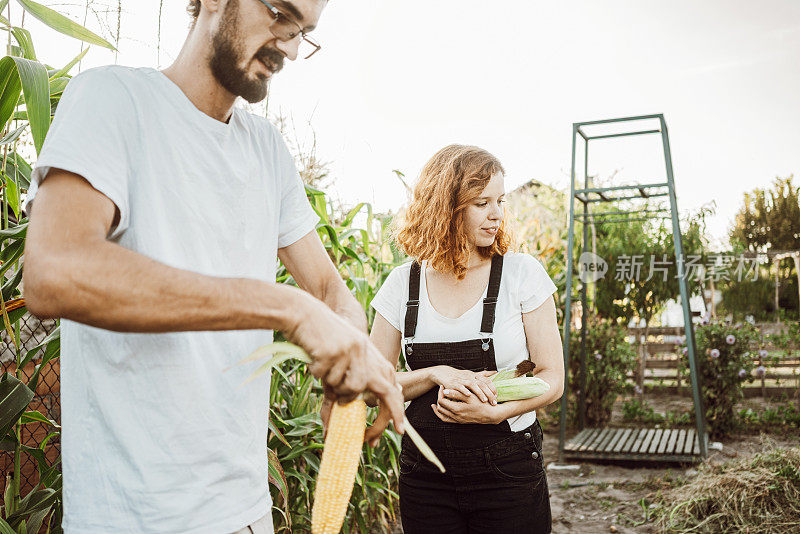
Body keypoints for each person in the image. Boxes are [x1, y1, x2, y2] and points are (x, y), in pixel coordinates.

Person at [21, 1, 405, 532]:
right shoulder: (112, 99)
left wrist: (350, 357)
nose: (290, 47)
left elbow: (326, 288)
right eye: (280, 14)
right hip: (134, 519)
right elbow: (53, 269)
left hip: (246, 514)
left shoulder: (267, 150)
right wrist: (284, 306)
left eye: (303, 32)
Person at [369, 145, 565, 533]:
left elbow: (552, 378)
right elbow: (373, 383)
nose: (497, 214)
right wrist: (437, 373)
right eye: (481, 202)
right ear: (446, 207)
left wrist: (496, 413)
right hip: (425, 477)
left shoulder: (521, 275)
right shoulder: (401, 285)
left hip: (507, 471)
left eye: (500, 201)